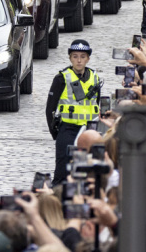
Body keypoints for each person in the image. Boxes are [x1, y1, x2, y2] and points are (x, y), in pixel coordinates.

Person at [46, 39, 101, 185]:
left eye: (83, 57)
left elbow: (98, 103)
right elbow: (50, 108)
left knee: (83, 171)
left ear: (88, 59)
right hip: (68, 129)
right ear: (70, 58)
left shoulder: (95, 78)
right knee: (62, 170)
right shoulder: (61, 78)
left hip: (87, 130)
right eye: (75, 56)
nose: (79, 60)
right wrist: (55, 133)